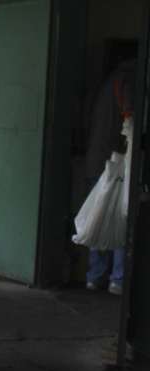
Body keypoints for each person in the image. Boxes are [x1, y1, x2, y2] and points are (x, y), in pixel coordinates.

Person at [83, 51, 136, 296]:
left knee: (98, 218)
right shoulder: (126, 81)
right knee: (118, 219)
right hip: (114, 162)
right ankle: (117, 279)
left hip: (97, 160)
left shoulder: (106, 82)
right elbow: (131, 118)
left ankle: (95, 276)